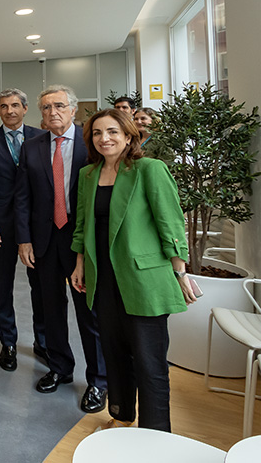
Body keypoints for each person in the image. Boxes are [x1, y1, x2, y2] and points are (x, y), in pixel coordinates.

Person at [71, 108, 197, 431]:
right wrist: (80, 263)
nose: (104, 139)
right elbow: (82, 224)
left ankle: (156, 434)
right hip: (104, 279)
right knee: (113, 353)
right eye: (97, 133)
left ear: (129, 136)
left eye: (112, 132)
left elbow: (170, 223)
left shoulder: (149, 169)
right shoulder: (88, 175)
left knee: (149, 361)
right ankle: (122, 415)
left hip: (142, 279)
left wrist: (180, 271)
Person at [14, 85, 108, 414]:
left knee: (88, 312)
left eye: (59, 106)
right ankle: (60, 367)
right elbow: (23, 198)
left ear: (73, 109)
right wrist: (24, 240)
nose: (53, 112)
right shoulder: (32, 147)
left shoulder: (91, 142)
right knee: (49, 308)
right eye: (46, 107)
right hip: (43, 241)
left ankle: (98, 380)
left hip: (82, 241)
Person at [0, 88, 47, 372]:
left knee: (40, 285)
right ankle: (8, 343)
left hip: (36, 224)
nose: (10, 111)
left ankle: (42, 341)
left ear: (25, 108)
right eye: (4, 106)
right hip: (1, 224)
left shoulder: (41, 138)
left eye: (15, 105)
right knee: (3, 285)